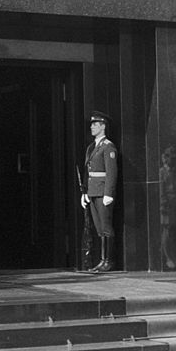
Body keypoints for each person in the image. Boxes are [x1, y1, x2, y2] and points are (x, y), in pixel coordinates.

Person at [80, 111, 118, 273]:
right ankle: (102, 260)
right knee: (99, 228)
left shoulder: (108, 146)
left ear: (103, 126)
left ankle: (108, 261)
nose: (92, 127)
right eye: (92, 124)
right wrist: (85, 193)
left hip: (103, 191)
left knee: (106, 227)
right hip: (93, 191)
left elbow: (111, 172)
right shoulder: (92, 147)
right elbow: (88, 172)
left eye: (95, 124)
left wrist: (109, 193)